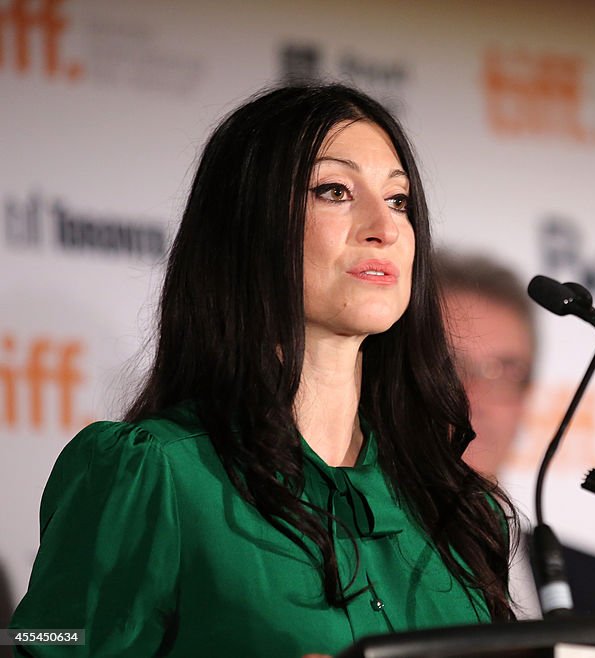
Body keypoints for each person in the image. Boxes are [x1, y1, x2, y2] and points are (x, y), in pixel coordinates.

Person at [11, 85, 514, 657]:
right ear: (250, 225)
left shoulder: (458, 508)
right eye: (335, 191)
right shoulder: (156, 473)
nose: (386, 227)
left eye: (399, 201)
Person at [436, 252, 595, 618]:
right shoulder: (356, 565)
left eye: (504, 372)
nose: (474, 399)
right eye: (450, 368)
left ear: (528, 396)